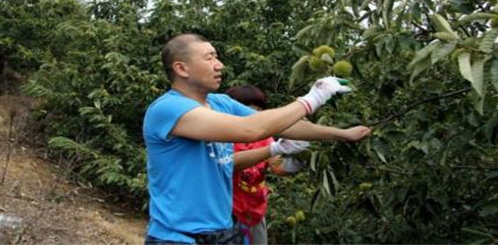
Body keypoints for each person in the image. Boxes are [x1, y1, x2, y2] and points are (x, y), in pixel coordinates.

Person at [143, 33, 371, 244]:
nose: (219, 64)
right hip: (179, 237)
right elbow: (251, 130)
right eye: (209, 57)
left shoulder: (220, 103)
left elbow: (285, 127)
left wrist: (341, 134)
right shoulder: (168, 109)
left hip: (222, 231)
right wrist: (312, 99)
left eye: (217, 56)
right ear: (182, 68)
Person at [226, 85, 308, 245]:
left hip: (254, 211)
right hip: (227, 212)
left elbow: (278, 166)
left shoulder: (264, 138)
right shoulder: (223, 137)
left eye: (258, 110)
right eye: (247, 110)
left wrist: (302, 157)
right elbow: (229, 164)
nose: (254, 115)